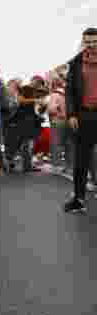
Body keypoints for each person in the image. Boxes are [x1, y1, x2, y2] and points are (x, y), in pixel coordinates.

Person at [63, 28, 97, 214]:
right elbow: (69, 92)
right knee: (81, 160)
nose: (91, 45)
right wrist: (71, 114)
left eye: (94, 42)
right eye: (87, 42)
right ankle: (78, 199)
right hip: (83, 116)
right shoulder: (76, 62)